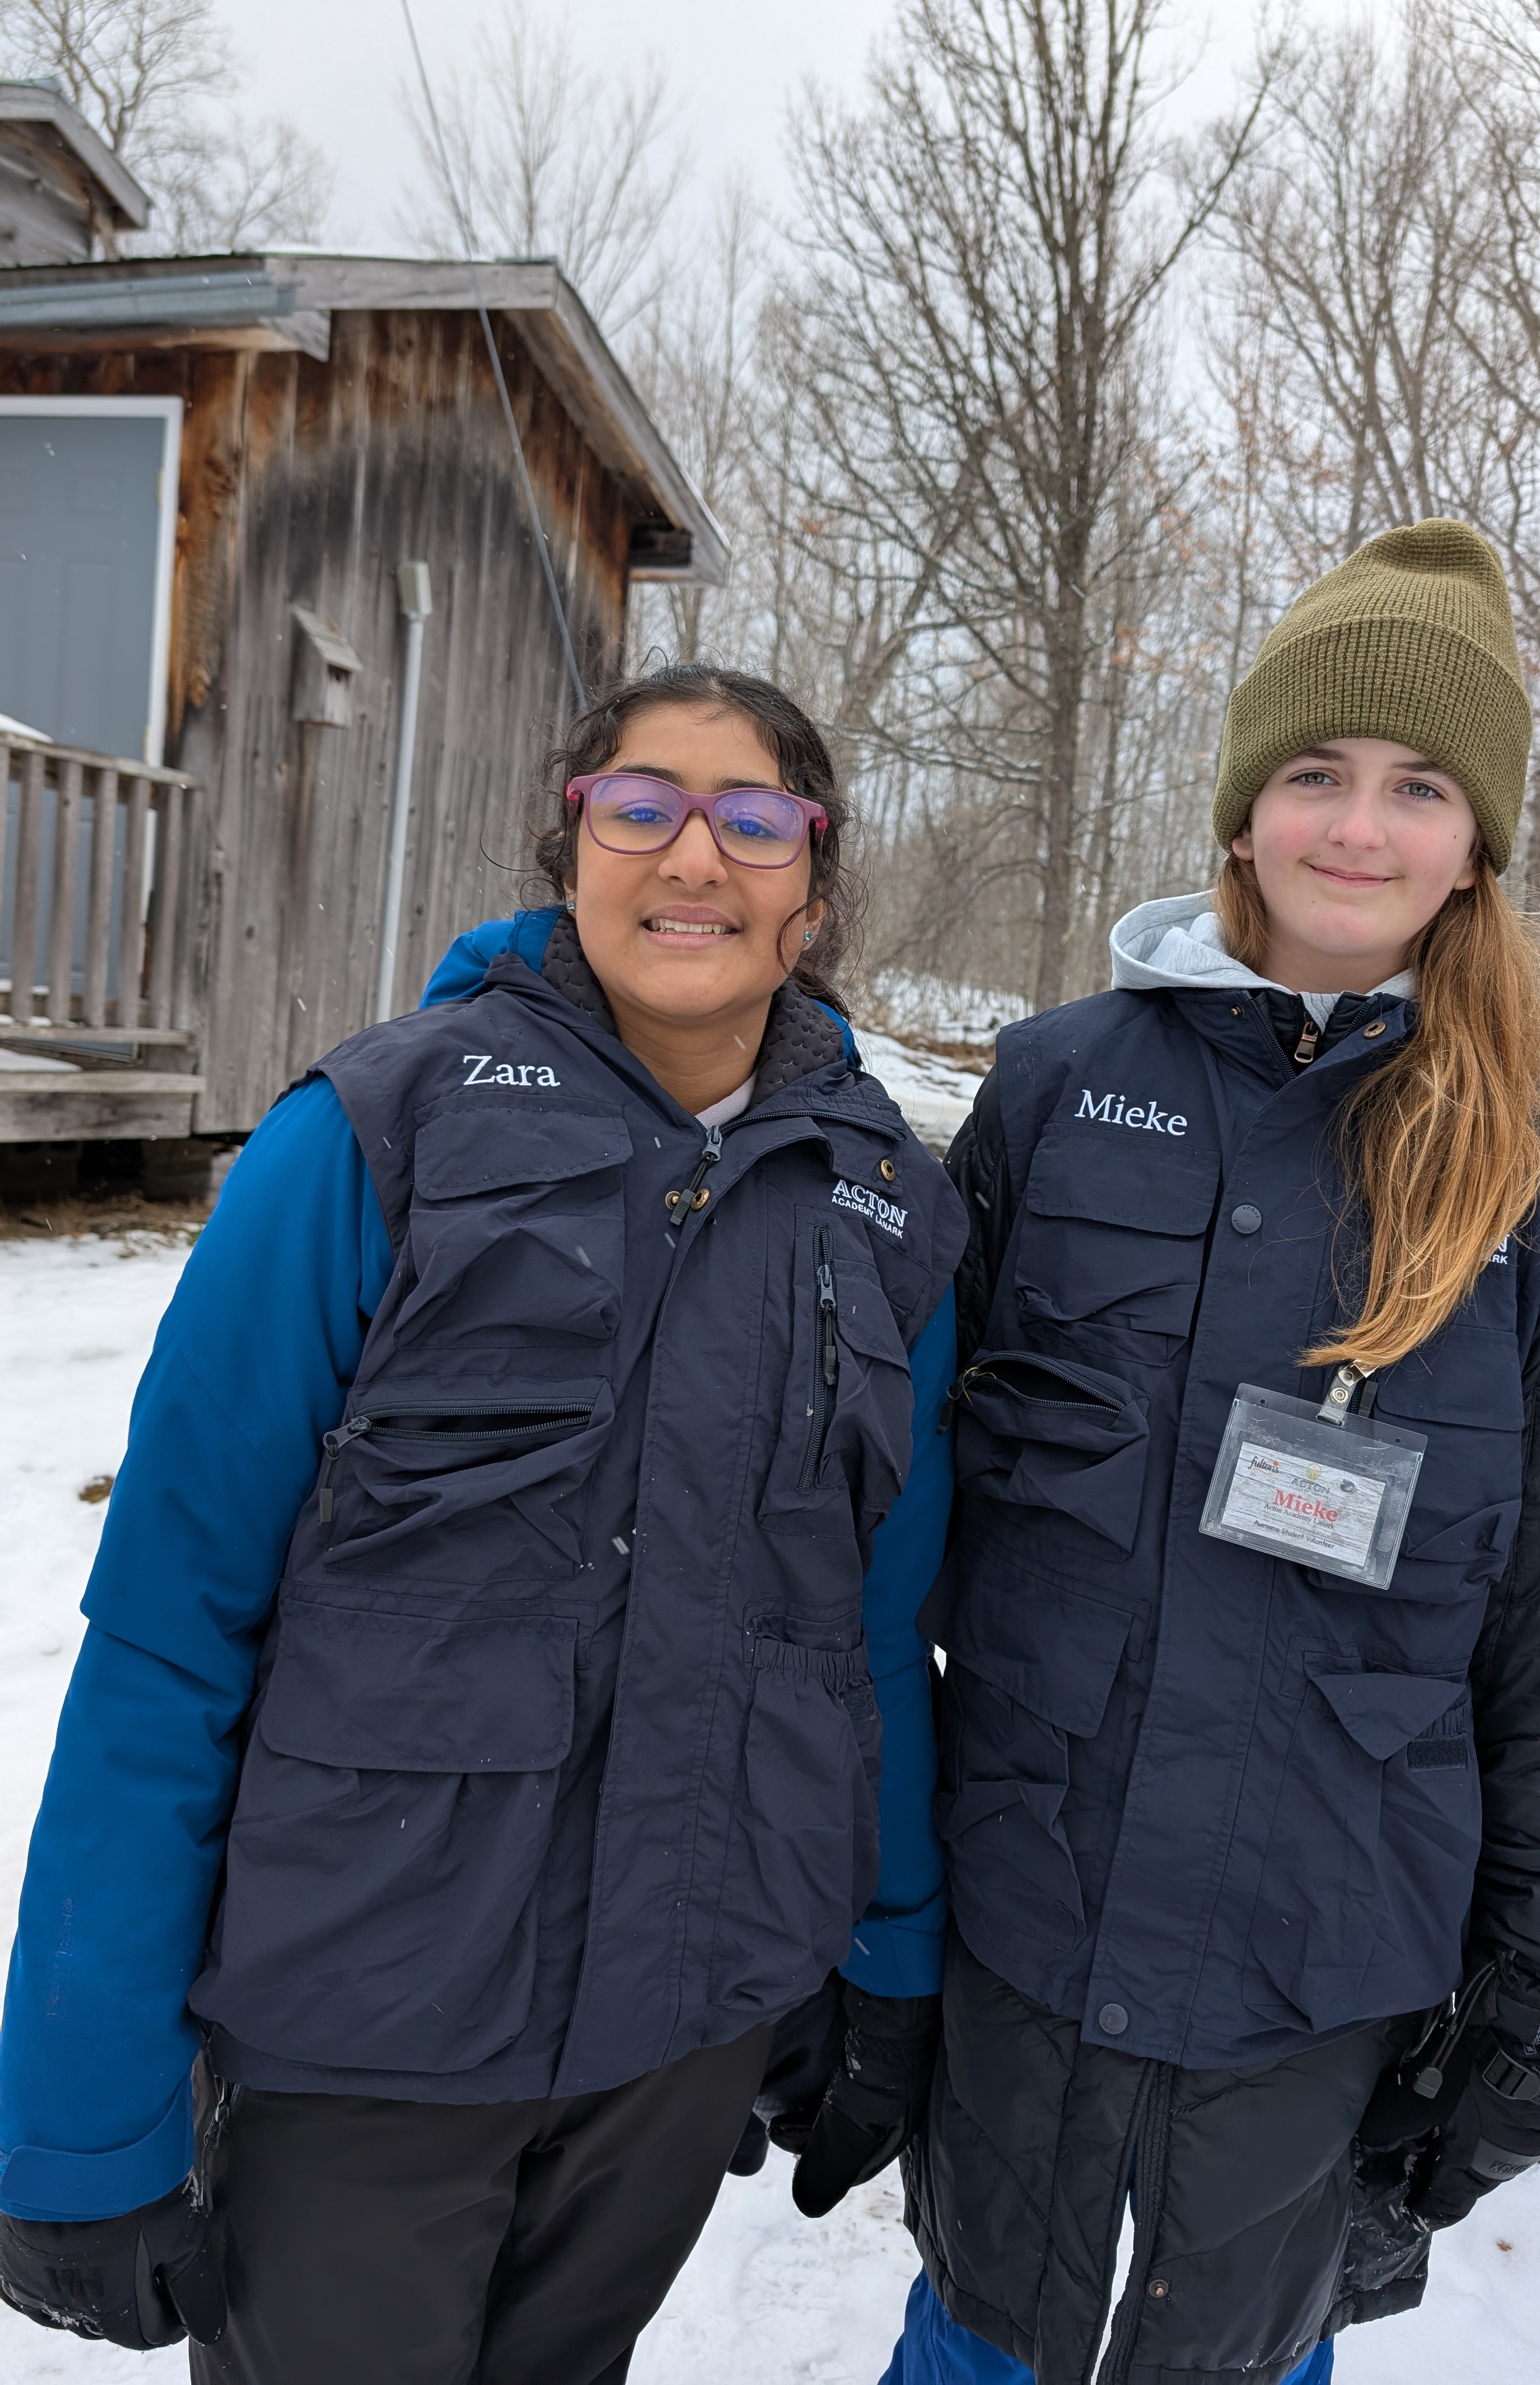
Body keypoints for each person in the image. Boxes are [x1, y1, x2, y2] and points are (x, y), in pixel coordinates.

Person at [0, 665, 965, 2383]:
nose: (694, 856)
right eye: (640, 806)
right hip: (362, 2034)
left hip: (677, 2042)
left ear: (812, 894)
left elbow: (868, 1640)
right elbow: (169, 1633)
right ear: (568, 845)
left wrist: (880, 1957)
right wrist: (78, 2116)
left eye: (755, 822)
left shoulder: (885, 1210)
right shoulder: (372, 1139)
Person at [881, 524, 1540, 2385]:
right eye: (1314, 773)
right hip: (1033, 1876)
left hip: (1327, 1917)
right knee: (990, 2321)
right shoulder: (1063, 1086)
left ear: (1477, 843)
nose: (1357, 829)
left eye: (1417, 787)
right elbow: (902, 1508)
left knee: (1236, 2345)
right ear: (1242, 810)